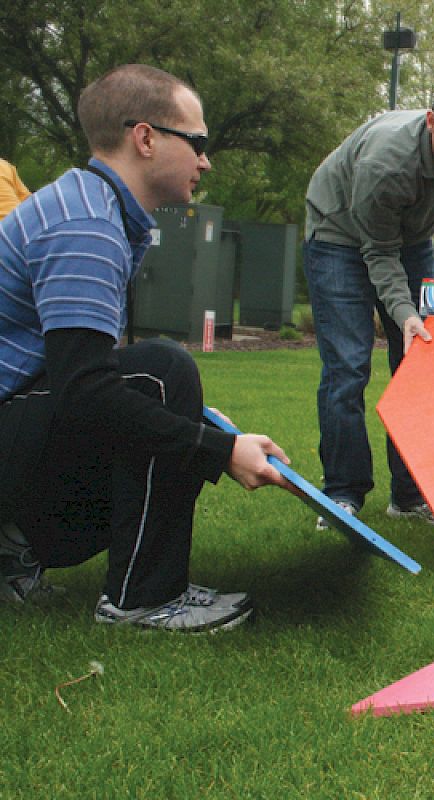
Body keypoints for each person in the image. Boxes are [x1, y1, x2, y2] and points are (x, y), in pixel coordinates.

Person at [0, 64, 289, 631]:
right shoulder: (85, 225)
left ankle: (13, 546)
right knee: (162, 371)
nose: (206, 161)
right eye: (198, 142)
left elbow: (78, 377)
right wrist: (217, 449)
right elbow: (87, 391)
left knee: (160, 387)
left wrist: (197, 425)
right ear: (147, 137)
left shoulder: (92, 206)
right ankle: (144, 598)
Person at [304, 66, 434, 528]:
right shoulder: (387, 163)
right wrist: (403, 314)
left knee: (421, 369)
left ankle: (411, 496)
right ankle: (343, 494)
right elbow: (377, 252)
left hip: (413, 237)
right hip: (339, 234)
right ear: (432, 122)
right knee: (349, 366)